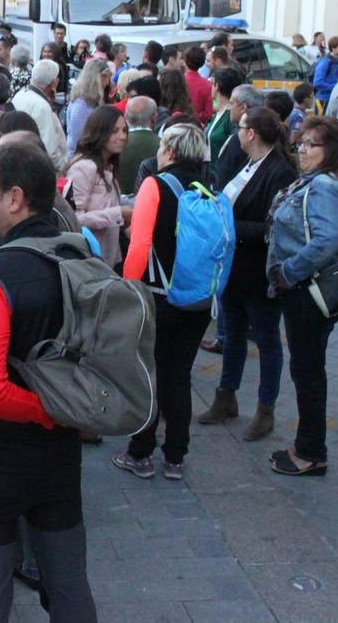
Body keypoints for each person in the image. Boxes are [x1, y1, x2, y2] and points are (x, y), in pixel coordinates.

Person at [0, 140, 99, 622]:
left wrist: (47, 411)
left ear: (14, 199)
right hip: (58, 458)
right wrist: (65, 416)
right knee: (68, 585)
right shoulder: (78, 254)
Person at [265, 116, 338, 476]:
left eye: (310, 145)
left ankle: (310, 451)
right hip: (316, 288)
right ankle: (307, 444)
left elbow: (327, 239)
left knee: (307, 370)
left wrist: (288, 272)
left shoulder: (324, 187)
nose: (301, 151)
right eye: (300, 143)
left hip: (309, 289)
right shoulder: (337, 182)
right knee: (308, 368)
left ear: (331, 150)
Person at [114, 123, 210, 482]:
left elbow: (139, 246)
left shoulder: (155, 185)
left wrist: (127, 289)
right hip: (197, 298)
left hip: (158, 296)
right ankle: (176, 456)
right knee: (179, 376)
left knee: (148, 375)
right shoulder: (208, 186)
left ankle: (140, 453)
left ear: (169, 150)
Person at [198, 107, 297, 441]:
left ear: (251, 133)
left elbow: (272, 227)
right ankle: (226, 394)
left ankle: (265, 409)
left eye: (240, 128)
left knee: (267, 338)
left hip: (258, 270)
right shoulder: (247, 163)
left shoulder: (279, 172)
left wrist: (227, 226)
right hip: (234, 267)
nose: (237, 133)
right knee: (233, 333)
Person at [64, 105, 131, 269]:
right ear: (99, 132)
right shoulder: (84, 167)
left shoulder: (107, 165)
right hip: (90, 261)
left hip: (106, 259)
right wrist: (118, 213)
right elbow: (73, 219)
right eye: (115, 131)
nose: (122, 136)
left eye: (124, 130)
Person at [11, 60, 67, 171]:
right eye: (56, 77)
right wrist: (62, 168)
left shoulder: (20, 94)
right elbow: (50, 149)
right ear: (51, 82)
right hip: (39, 168)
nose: (58, 80)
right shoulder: (41, 106)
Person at [117, 96, 159, 197]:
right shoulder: (164, 146)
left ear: (126, 116)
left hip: (117, 206)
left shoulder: (114, 144)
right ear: (153, 117)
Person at [312, 36, 338, 108]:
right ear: (333, 48)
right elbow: (317, 83)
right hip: (323, 99)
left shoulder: (336, 61)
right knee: (321, 119)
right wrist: (335, 87)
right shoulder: (325, 61)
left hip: (332, 98)